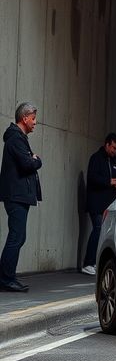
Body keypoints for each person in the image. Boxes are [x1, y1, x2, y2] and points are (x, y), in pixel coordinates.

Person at [0, 103, 42, 292]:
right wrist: (36, 160)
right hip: (16, 196)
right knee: (16, 236)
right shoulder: (16, 139)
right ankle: (5, 278)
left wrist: (32, 159)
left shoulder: (19, 138)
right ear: (24, 118)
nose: (35, 122)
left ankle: (7, 276)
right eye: (33, 118)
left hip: (19, 196)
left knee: (19, 236)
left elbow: (27, 161)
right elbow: (27, 164)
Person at [82, 133, 116, 275]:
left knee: (104, 234)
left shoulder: (114, 160)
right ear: (107, 145)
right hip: (96, 204)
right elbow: (92, 178)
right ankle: (88, 263)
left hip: (108, 205)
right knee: (98, 229)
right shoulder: (96, 158)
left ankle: (95, 263)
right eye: (113, 148)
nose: (115, 151)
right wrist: (109, 181)